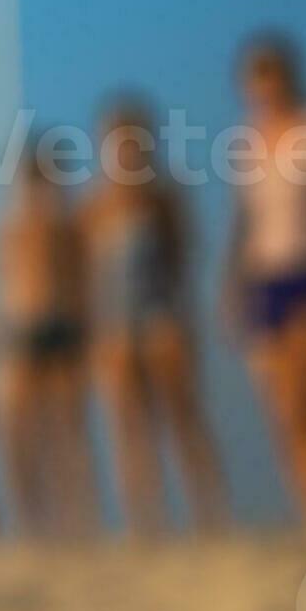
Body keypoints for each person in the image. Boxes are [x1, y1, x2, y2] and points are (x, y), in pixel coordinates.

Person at [222, 32, 306, 535]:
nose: (265, 87)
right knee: (283, 408)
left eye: (271, 75)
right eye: (256, 79)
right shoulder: (246, 141)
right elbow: (244, 220)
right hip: (265, 277)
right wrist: (232, 286)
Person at [81, 91, 225, 537]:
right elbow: (87, 275)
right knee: (128, 425)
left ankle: (210, 514)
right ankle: (146, 522)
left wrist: (182, 320)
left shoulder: (163, 198)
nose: (125, 149)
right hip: (114, 320)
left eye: (132, 140)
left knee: (182, 414)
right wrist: (97, 336)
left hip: (161, 312)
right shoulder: (95, 205)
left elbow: (183, 258)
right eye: (116, 140)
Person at [0, 137, 97, 539]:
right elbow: (5, 281)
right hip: (26, 327)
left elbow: (81, 280)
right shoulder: (14, 224)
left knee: (67, 427)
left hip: (61, 324)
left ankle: (77, 517)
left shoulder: (67, 224)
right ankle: (33, 520)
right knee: (22, 431)